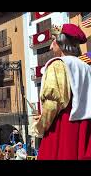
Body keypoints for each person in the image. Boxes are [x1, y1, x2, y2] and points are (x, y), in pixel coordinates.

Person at [32, 24, 91, 160]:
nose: (51, 47)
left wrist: (39, 127)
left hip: (63, 128)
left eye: (53, 41)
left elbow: (52, 105)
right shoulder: (87, 68)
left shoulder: (58, 64)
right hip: (85, 129)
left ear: (61, 42)